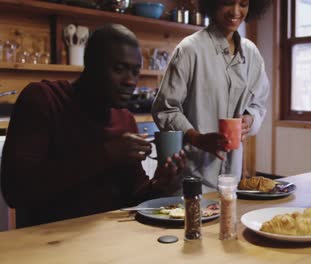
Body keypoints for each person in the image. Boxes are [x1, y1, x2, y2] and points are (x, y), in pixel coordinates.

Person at [0, 24, 185, 228]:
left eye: (135, 71)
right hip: (48, 243)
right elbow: (16, 192)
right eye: (119, 69)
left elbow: (133, 198)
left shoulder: (125, 119)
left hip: (107, 240)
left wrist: (160, 186)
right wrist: (106, 153)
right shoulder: (44, 100)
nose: (130, 81)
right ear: (90, 64)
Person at [152, 0, 272, 191]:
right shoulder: (190, 49)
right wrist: (197, 138)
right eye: (227, 2)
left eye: (243, 4)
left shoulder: (252, 54)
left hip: (232, 179)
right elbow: (165, 108)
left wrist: (249, 119)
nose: (235, 11)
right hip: (192, 177)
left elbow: (258, 103)